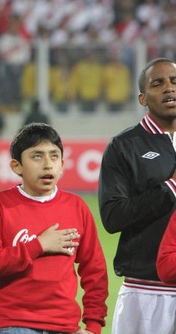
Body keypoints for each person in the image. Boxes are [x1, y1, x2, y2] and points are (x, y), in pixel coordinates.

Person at [0, 123, 108, 334]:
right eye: (37, 156)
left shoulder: (76, 207)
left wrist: (93, 325)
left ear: (62, 164)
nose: (47, 165)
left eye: (54, 156)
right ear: (17, 166)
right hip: (13, 325)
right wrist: (38, 245)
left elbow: (95, 271)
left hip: (65, 327)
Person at [98, 58, 176, 334]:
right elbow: (112, 216)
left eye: (175, 81)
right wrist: (170, 188)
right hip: (146, 293)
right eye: (158, 83)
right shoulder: (124, 146)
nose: (169, 88)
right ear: (142, 98)